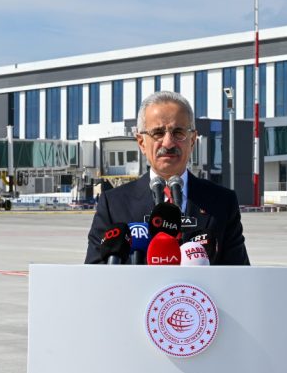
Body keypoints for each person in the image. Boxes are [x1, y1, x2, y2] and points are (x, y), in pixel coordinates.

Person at [85, 91, 249, 265]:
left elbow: (240, 274)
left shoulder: (223, 202)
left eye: (178, 132)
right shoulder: (113, 204)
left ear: (192, 140)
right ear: (141, 142)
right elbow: (94, 274)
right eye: (158, 133)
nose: (168, 143)